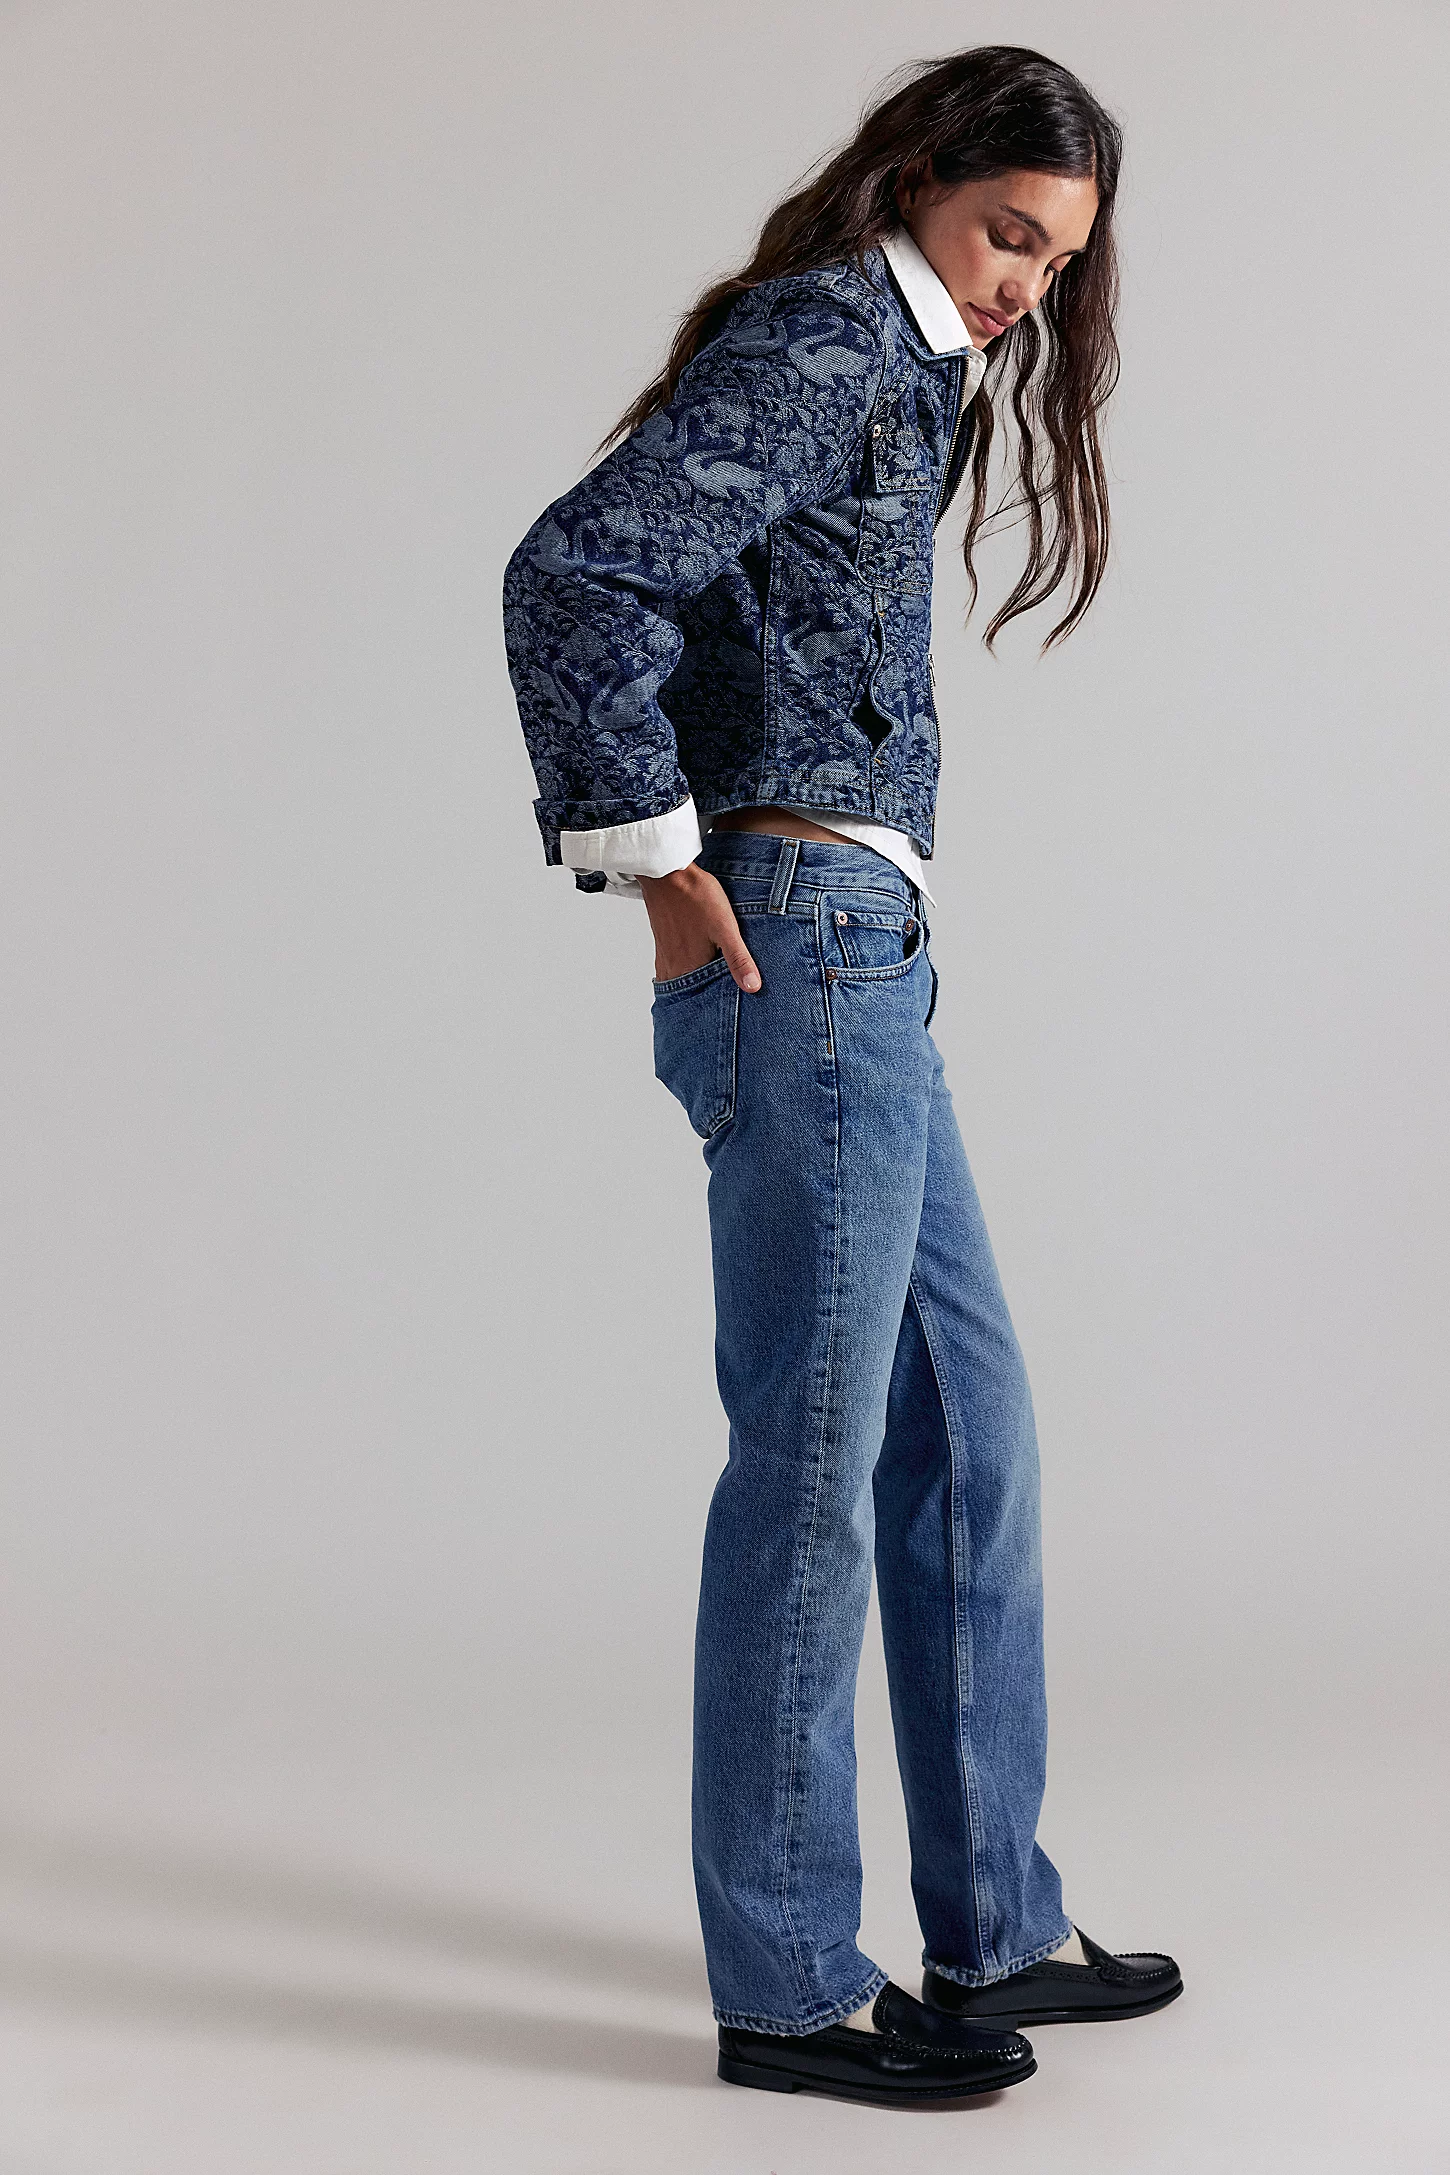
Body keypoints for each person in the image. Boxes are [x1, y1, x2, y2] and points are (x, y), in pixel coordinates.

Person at [502, 42, 1182, 2109]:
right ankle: (789, 1983)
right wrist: (651, 861)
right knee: (808, 1464)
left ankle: (991, 1922)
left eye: (1052, 262)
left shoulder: (902, 361)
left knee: (964, 1431)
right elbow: (577, 569)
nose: (1020, 287)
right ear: (917, 178)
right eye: (1002, 235)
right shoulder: (821, 339)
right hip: (794, 946)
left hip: (860, 949)